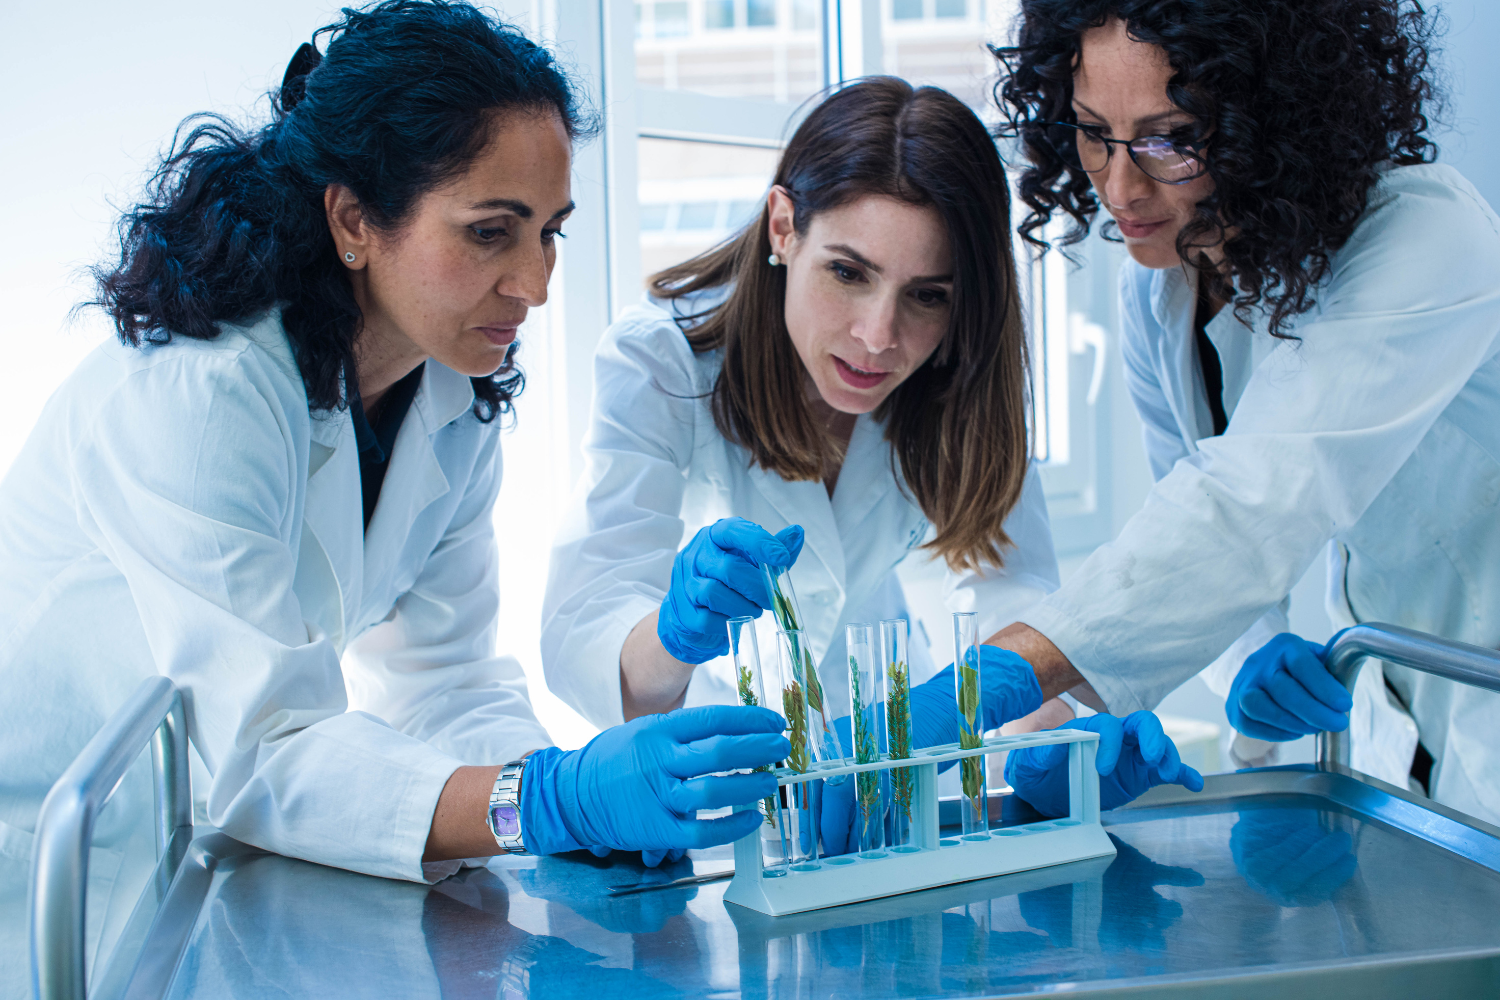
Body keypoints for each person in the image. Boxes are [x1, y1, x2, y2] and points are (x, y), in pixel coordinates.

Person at [0, 6, 790, 984]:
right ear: (353, 220)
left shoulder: (447, 395)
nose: (535, 284)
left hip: (169, 848)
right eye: (490, 232)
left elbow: (442, 678)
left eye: (549, 234)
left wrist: (561, 804)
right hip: (41, 846)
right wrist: (537, 799)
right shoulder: (204, 393)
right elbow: (266, 750)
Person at [541, 76, 1202, 853]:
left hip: (890, 795)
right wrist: (676, 635)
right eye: (848, 273)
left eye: (926, 296)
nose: (879, 336)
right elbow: (587, 630)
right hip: (704, 804)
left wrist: (1055, 751)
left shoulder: (958, 381)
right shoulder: (663, 361)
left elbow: (1002, 602)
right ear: (783, 227)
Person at [989, 0, 1500, 820]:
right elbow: (1187, 506)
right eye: (1093, 133)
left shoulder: (1427, 238)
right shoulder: (1157, 289)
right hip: (1394, 755)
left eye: (1172, 139)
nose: (1120, 188)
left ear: (1272, 125)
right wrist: (1256, 657)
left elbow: (1250, 504)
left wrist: (993, 676)